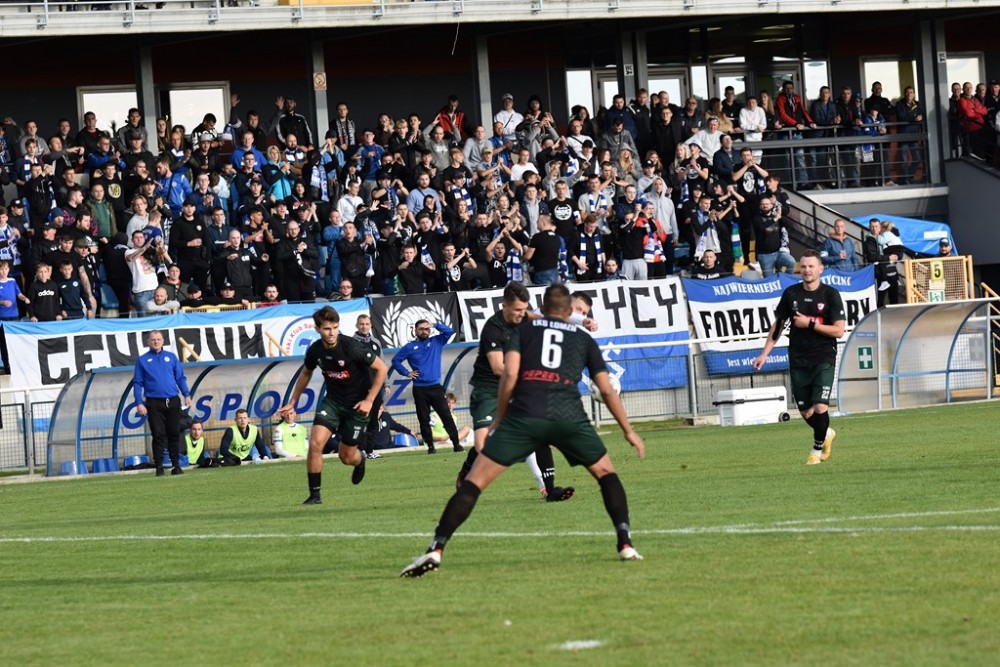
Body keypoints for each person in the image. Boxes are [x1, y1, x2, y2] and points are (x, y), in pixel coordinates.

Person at [400, 284, 646, 577]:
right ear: (570, 312)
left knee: (474, 483)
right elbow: (606, 389)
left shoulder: (523, 332)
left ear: (540, 307)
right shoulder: (582, 339)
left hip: (526, 414)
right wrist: (628, 430)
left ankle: (436, 548)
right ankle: (626, 544)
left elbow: (510, 373)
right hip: (568, 416)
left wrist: (501, 417)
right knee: (607, 475)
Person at [278, 306, 389, 505]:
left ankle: (360, 460)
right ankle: (315, 495)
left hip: (358, 406)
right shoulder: (315, 350)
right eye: (327, 329)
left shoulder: (352, 347)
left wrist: (369, 400)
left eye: (335, 328)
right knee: (315, 444)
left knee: (346, 457)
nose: (332, 333)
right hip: (333, 403)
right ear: (317, 329)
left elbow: (382, 368)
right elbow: (306, 372)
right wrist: (293, 401)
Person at [752, 250, 844, 465]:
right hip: (798, 358)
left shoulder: (830, 295)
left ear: (820, 269)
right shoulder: (791, 294)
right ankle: (826, 433)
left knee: (820, 406)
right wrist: (764, 354)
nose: (807, 270)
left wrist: (810, 324)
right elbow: (778, 326)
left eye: (811, 266)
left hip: (823, 356)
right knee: (806, 411)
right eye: (803, 266)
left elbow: (839, 330)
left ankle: (816, 450)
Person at [390, 318, 464, 454]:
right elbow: (396, 360)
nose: (424, 331)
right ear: (415, 331)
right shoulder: (410, 347)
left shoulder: (436, 341)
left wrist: (435, 325)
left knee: (446, 416)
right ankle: (430, 446)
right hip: (419, 389)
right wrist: (406, 373)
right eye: (421, 329)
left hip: (435, 388)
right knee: (423, 419)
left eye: (426, 329)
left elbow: (450, 331)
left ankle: (456, 444)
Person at [133, 330, 193, 477]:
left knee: (174, 433)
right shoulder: (142, 360)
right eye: (153, 339)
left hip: (172, 401)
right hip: (154, 403)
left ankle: (176, 465)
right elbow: (137, 383)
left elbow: (180, 377)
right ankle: (159, 466)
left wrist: (186, 394)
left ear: (163, 341)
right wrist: (139, 403)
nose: (156, 342)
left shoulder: (171, 357)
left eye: (158, 339)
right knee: (158, 434)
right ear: (148, 342)